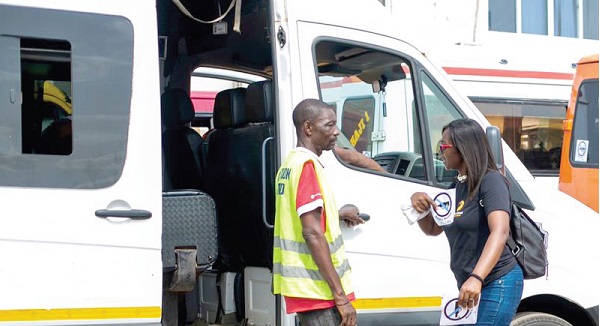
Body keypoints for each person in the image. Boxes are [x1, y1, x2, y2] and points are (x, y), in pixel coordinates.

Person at [410, 118, 523, 326]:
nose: (440, 152)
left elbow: (500, 231)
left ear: (464, 148)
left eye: (444, 146)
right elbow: (434, 229)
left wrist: (477, 278)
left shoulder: (491, 181)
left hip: (496, 281)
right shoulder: (456, 186)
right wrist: (420, 208)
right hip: (468, 284)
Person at [273, 98, 364, 326]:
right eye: (329, 125)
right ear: (308, 128)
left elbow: (298, 217)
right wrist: (341, 298)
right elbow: (312, 233)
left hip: (306, 289)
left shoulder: (289, 164)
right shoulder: (307, 166)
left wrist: (336, 213)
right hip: (318, 291)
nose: (336, 132)